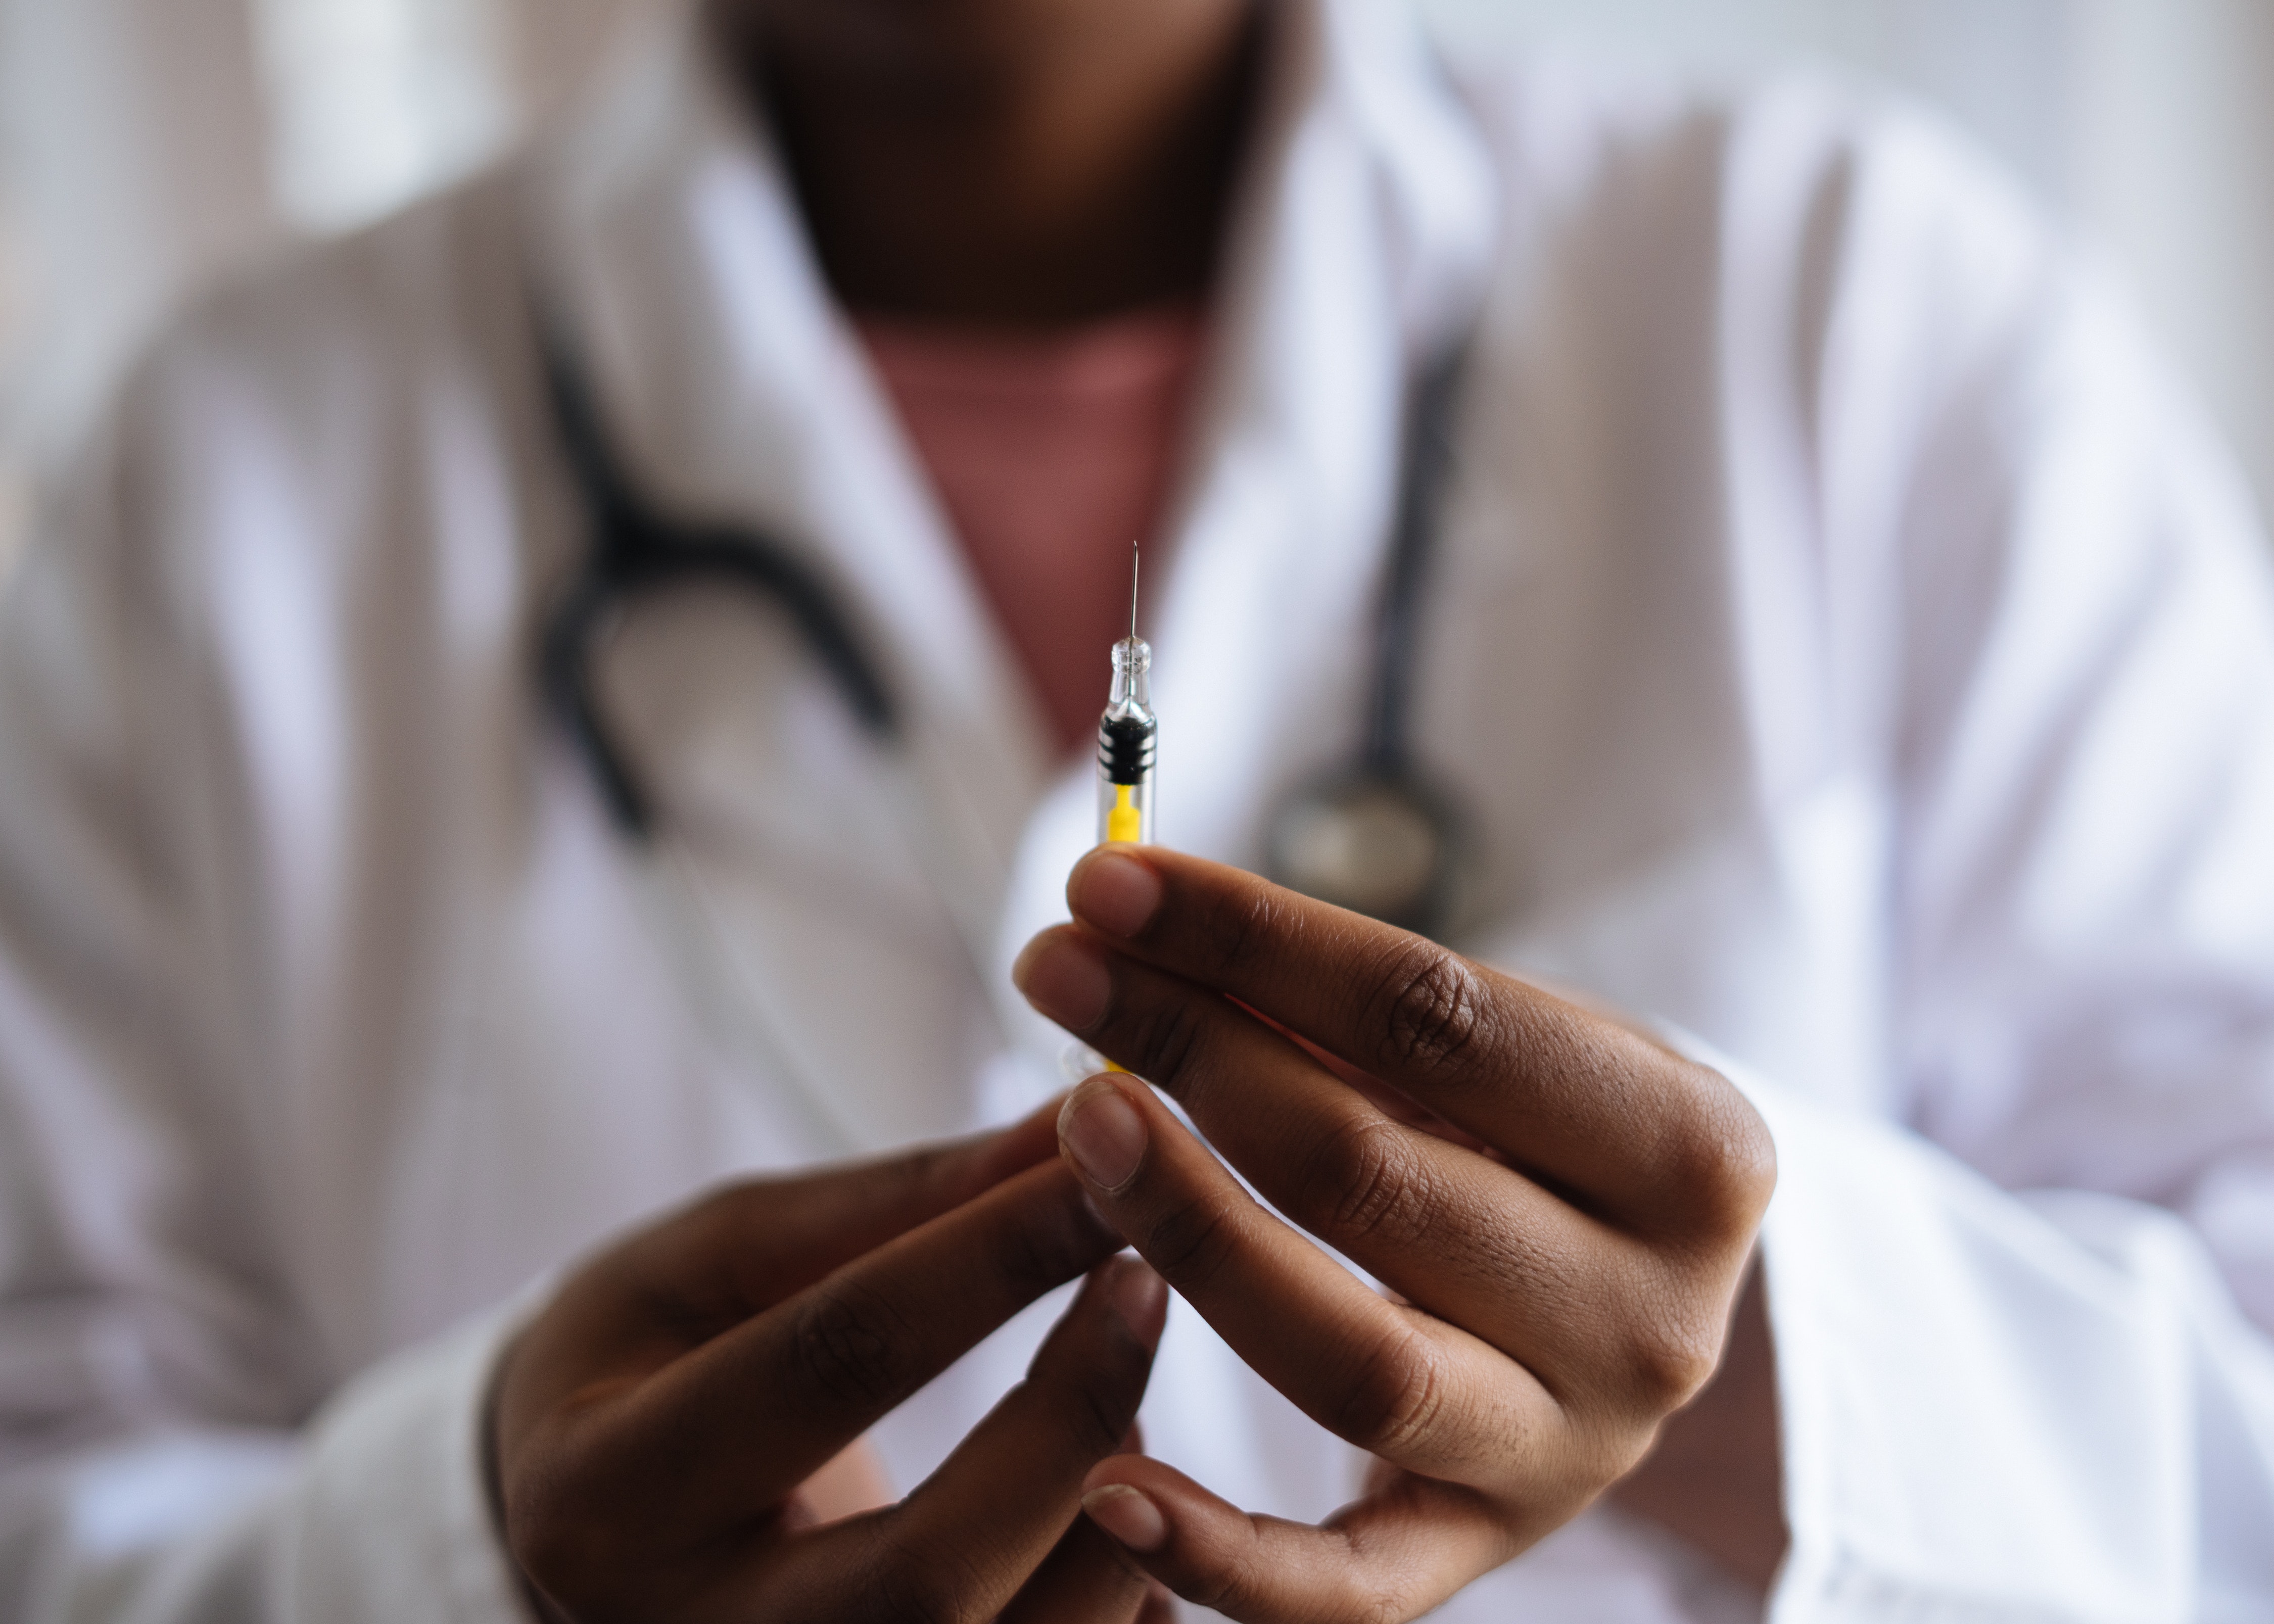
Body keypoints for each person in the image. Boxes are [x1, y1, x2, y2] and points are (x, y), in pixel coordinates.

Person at [3, 0, 2272, 1617]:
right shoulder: (218, 492)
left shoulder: (1858, 324)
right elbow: (54, 1513)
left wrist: (1777, 1367)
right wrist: (455, 1556)